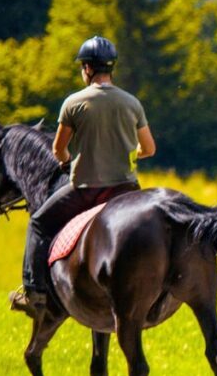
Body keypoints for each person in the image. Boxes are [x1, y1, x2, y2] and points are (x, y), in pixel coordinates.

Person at [11, 36, 156, 317]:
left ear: (88, 69)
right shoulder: (132, 103)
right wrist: (127, 152)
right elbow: (148, 148)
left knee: (39, 223)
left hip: (86, 189)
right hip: (126, 189)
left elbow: (58, 149)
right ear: (110, 68)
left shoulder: (73, 103)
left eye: (82, 67)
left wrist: (69, 161)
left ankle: (33, 293)